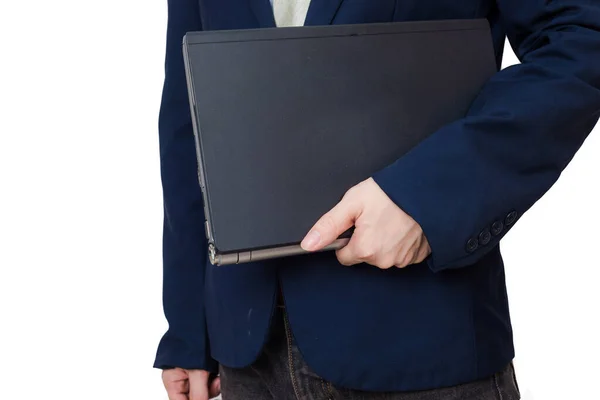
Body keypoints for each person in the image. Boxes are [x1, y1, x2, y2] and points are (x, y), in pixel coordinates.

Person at [155, 1, 600, 399]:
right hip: (247, 348)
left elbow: (582, 38)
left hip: (417, 343)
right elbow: (188, 116)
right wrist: (189, 326)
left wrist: (424, 197)